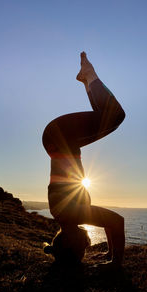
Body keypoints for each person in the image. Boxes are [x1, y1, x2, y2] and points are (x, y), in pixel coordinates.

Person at [42, 52, 126, 267]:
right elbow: (108, 221)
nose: (87, 244)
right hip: (59, 140)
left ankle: (89, 76)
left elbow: (117, 221)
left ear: (70, 243)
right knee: (108, 115)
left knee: (116, 116)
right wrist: (109, 253)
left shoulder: (72, 215)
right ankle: (86, 81)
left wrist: (116, 263)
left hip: (62, 136)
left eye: (82, 248)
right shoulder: (64, 216)